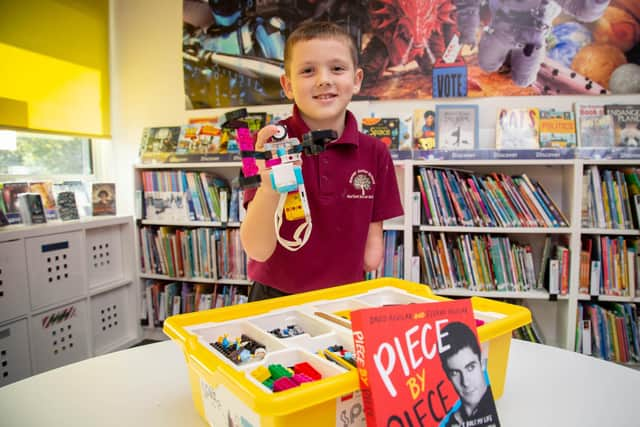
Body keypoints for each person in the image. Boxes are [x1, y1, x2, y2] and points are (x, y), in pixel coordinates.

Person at [239, 21, 403, 301]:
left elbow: (371, 256)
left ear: (357, 79)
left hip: (344, 300)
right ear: (287, 86)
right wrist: (267, 186)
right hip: (274, 298)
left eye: (337, 68)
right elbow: (256, 249)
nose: (324, 79)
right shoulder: (259, 144)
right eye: (307, 71)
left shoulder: (376, 152)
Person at [439, 322, 500, 427]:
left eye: (470, 367)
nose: (465, 382)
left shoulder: (496, 407)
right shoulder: (450, 422)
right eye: (455, 373)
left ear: (482, 363)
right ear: (448, 376)